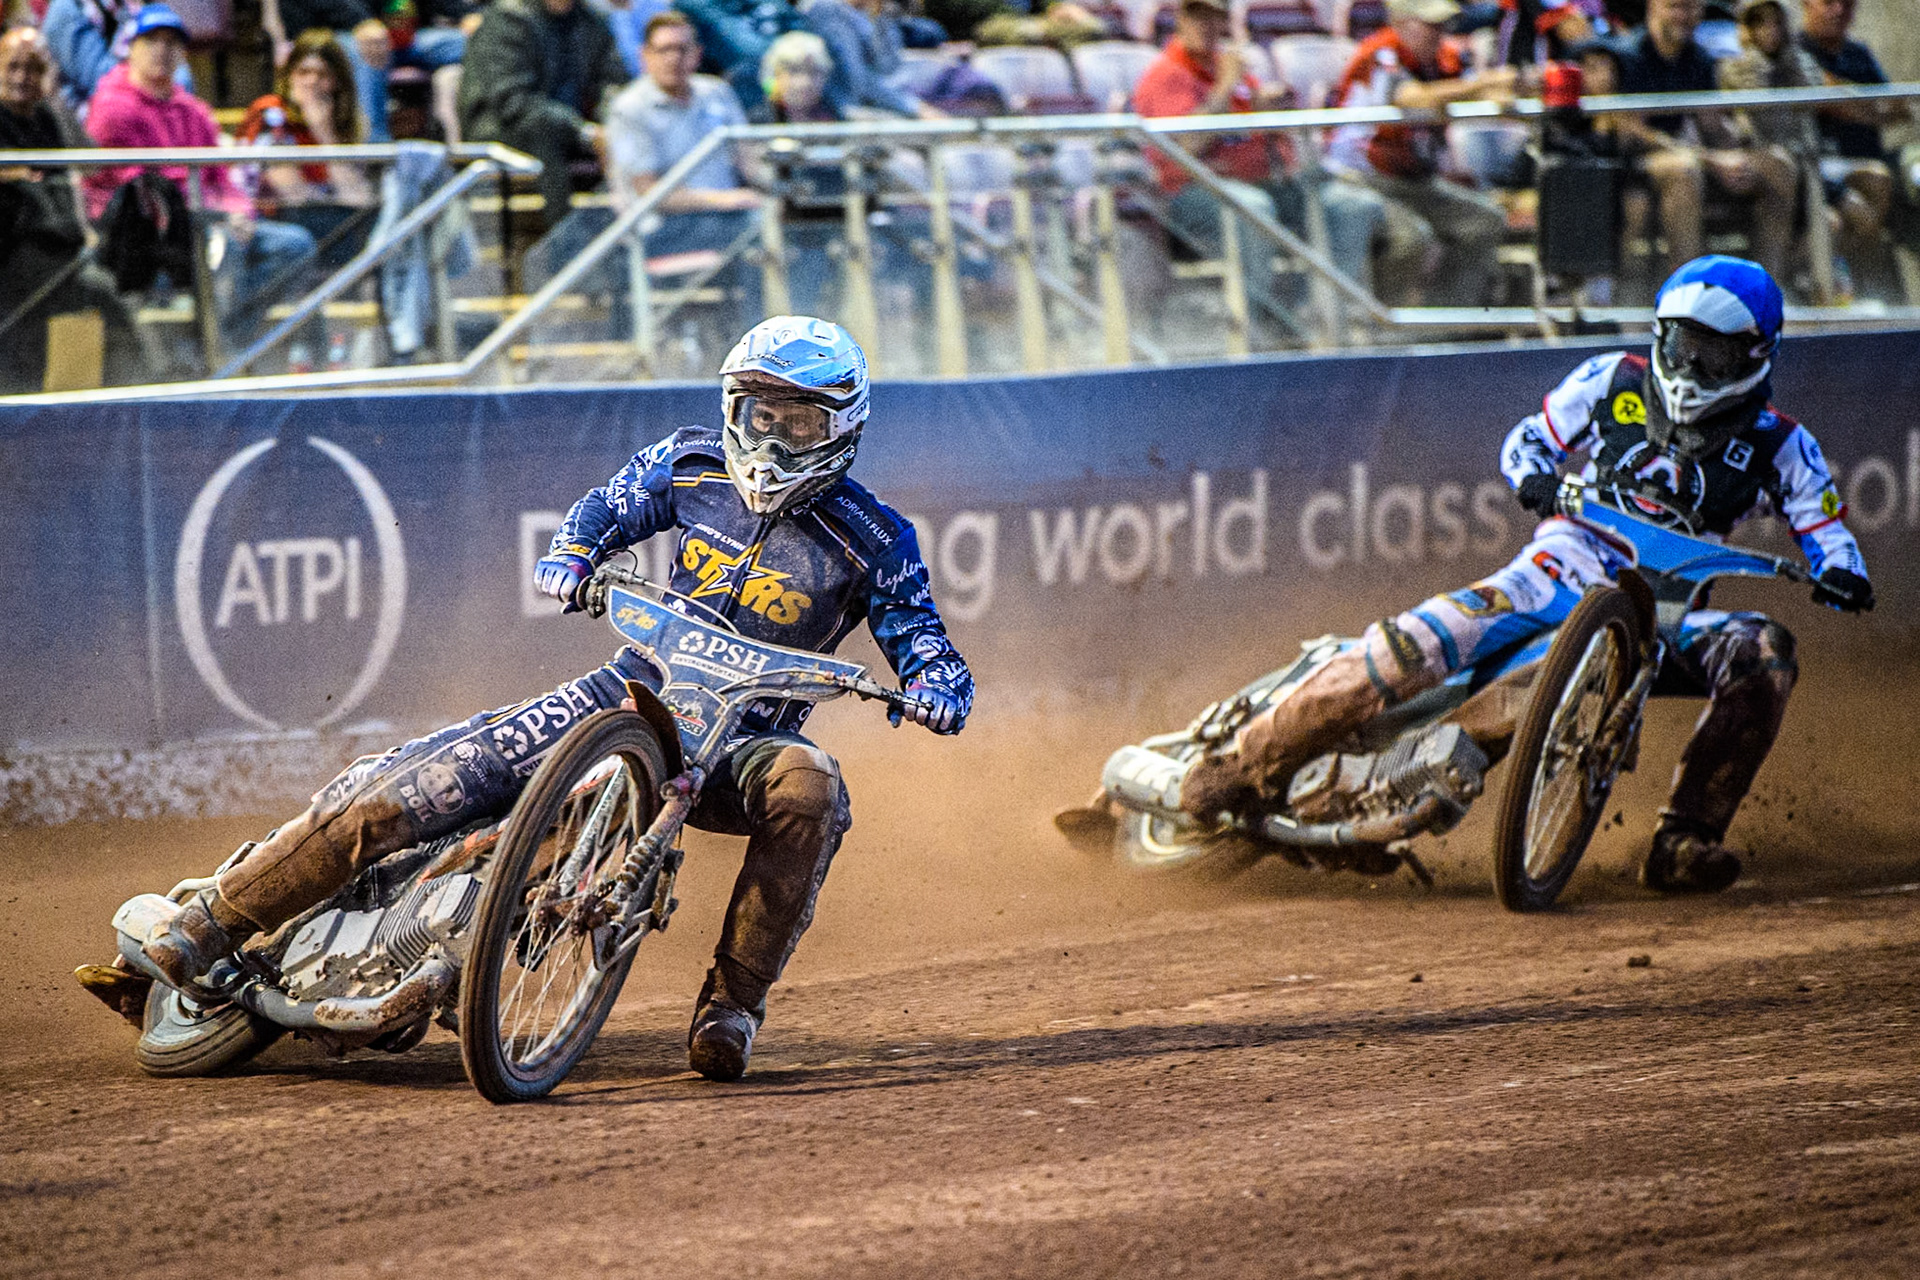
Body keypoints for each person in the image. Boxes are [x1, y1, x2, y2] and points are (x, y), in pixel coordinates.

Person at [127, 316, 975, 1082]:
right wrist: (572, 556)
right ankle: (211, 924)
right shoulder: (687, 463)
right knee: (418, 787)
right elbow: (601, 511)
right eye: (761, 413)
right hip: (624, 698)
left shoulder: (876, 542)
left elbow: (927, 643)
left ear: (844, 429)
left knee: (814, 787)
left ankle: (732, 1006)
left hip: (742, 745)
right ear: (733, 411)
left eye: (801, 420)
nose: (777, 437)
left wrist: (937, 687)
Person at [1163, 256, 1872, 893]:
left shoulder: (1784, 444)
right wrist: (1532, 474)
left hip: (1668, 613)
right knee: (1411, 647)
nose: (1689, 370)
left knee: (1764, 651)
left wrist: (1842, 572)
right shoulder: (1611, 379)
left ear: (1755, 355)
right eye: (1680, 348)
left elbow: (1825, 526)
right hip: (1553, 567)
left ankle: (1685, 838)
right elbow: (1531, 437)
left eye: (1712, 356)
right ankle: (1240, 768)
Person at [1133, 0, 1388, 329]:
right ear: (1181, 20)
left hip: (1266, 182)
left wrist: (1267, 108)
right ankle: (1254, 333)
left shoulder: (1229, 65)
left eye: (1214, 17)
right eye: (1197, 17)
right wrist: (1225, 87)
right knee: (1253, 209)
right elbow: (1186, 146)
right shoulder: (1167, 74)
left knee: (1352, 205)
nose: (1206, 26)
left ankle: (1313, 318)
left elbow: (1252, 126)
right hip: (1194, 193)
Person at [83, 5, 320, 346]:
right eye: (152, 40)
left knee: (296, 245)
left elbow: (220, 177)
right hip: (147, 235)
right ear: (131, 47)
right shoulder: (112, 107)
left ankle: (228, 342)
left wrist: (240, 212)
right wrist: (219, 217)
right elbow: (143, 191)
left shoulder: (193, 110)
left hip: (206, 221)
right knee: (224, 248)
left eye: (171, 42)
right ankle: (220, 352)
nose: (162, 50)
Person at [1326, 0, 1515, 307]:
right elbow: (1412, 99)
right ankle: (1387, 328)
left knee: (1484, 220)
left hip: (1414, 181)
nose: (1438, 33)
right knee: (1410, 237)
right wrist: (1483, 84)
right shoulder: (1381, 52)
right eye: (1429, 24)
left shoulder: (1443, 58)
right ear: (1400, 22)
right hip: (1360, 178)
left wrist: (1505, 88)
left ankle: (1449, 319)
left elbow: (1483, 92)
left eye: (1441, 25)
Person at [0, 25, 152, 390]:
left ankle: (134, 397)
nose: (23, 77)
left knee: (110, 296)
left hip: (53, 248)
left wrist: (53, 97)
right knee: (100, 294)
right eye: (13, 66)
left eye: (34, 69)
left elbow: (88, 164)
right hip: (10, 252)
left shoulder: (46, 116)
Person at [1614, 0, 1797, 281]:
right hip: (1633, 164)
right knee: (1684, 171)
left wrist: (1738, 157)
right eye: (1675, 6)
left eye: (1692, 8)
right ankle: (1690, 294)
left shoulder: (1697, 57)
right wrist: (1712, 161)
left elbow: (1713, 126)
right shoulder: (1628, 55)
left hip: (1691, 155)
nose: (1684, 16)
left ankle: (1766, 286)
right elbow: (1633, 133)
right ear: (1652, 6)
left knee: (1778, 165)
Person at [605, 10, 762, 326]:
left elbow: (748, 157)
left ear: (697, 55)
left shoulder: (716, 93)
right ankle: (756, 336)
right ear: (645, 55)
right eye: (664, 50)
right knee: (755, 231)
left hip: (728, 217)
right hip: (664, 228)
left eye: (682, 49)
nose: (674, 58)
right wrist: (724, 200)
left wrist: (773, 186)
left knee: (791, 226)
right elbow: (651, 193)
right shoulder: (629, 109)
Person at [458, 0, 627, 229]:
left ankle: (645, 236)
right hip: (501, 129)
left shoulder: (590, 21)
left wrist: (612, 122)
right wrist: (582, 130)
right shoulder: (507, 19)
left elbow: (612, 84)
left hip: (568, 128)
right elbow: (511, 101)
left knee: (633, 124)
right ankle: (564, 246)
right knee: (541, 132)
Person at [1796, 0, 1906, 286]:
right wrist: (1869, 108)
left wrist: (1846, 99)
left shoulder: (1858, 53)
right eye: (1828, 3)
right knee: (1852, 207)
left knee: (1889, 180)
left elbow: (1899, 109)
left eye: (1847, 4)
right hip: (1812, 168)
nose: (1838, 11)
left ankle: (1857, 286)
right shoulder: (1795, 51)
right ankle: (1834, 282)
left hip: (1861, 161)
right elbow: (1832, 102)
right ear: (1806, 4)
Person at [276, 0, 477, 144]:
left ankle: (475, 147)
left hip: (404, 38)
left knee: (469, 43)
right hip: (342, 34)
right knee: (366, 51)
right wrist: (360, 21)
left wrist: (466, 15)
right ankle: (375, 148)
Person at [745, 30, 845, 314]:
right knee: (807, 257)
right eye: (793, 71)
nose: (804, 82)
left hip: (834, 216)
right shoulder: (760, 118)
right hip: (785, 226)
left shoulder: (835, 116)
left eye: (814, 72)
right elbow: (757, 174)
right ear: (774, 75)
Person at [239, 29, 376, 217]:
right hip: (276, 218)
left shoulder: (350, 120)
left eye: (323, 74)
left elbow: (357, 197)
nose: (312, 81)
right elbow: (294, 196)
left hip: (334, 218)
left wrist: (324, 133)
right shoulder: (271, 113)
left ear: (337, 81)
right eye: (303, 72)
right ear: (289, 76)